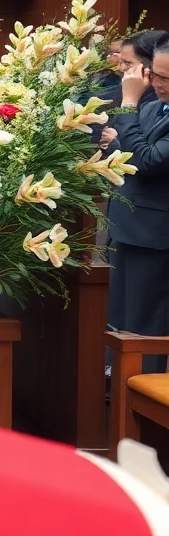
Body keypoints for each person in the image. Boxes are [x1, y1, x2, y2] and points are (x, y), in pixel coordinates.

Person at [108, 34, 169, 371]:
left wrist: (128, 103)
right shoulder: (154, 107)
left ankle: (143, 391)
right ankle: (117, 386)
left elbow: (146, 160)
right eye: (154, 75)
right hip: (126, 226)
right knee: (120, 322)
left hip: (155, 235)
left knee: (147, 327)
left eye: (164, 78)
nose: (156, 83)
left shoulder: (139, 104)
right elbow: (121, 151)